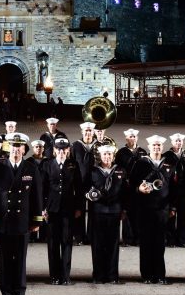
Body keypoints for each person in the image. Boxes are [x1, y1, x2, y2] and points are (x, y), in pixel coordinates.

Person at [0, 133, 43, 295]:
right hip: (3, 222)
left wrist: (36, 220)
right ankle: (6, 294)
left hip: (22, 221)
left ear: (24, 149)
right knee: (4, 261)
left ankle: (20, 294)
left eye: (19, 146)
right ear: (8, 147)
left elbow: (37, 196)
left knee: (20, 260)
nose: (16, 149)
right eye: (13, 146)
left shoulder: (31, 168)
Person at [131, 135, 177, 284]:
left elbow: (175, 188)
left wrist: (173, 207)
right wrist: (138, 189)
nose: (156, 148)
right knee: (146, 243)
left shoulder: (169, 164)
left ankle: (160, 274)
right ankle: (147, 275)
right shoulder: (140, 164)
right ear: (149, 147)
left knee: (160, 243)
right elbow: (131, 185)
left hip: (163, 209)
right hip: (145, 209)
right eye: (154, 146)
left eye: (159, 146)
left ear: (162, 148)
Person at [41, 137, 83, 285]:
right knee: (52, 243)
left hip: (68, 209)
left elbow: (79, 188)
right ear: (54, 150)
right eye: (58, 149)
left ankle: (65, 276)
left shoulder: (74, 165)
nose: (61, 152)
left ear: (68, 150)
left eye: (64, 149)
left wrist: (79, 207)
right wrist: (42, 208)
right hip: (52, 209)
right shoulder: (47, 165)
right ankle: (54, 276)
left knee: (66, 242)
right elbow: (42, 188)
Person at [86, 144, 127, 283]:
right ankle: (98, 275)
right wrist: (89, 195)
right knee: (98, 244)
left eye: (109, 154)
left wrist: (124, 210)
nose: (107, 157)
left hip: (115, 212)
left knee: (113, 245)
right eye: (105, 154)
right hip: (98, 212)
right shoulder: (93, 171)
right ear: (100, 156)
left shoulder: (120, 170)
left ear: (113, 156)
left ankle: (112, 276)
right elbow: (85, 189)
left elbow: (125, 193)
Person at [116, 128, 148, 247]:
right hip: (126, 186)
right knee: (126, 211)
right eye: (130, 137)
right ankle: (127, 238)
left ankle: (138, 238)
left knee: (139, 213)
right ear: (126, 138)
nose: (132, 139)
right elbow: (117, 168)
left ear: (137, 138)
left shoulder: (143, 152)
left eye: (134, 136)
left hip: (139, 187)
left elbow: (147, 169)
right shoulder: (121, 152)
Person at [71, 122, 96, 245]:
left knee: (93, 210)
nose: (88, 133)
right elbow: (71, 164)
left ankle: (91, 237)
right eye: (86, 131)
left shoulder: (98, 146)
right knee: (78, 210)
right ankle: (78, 236)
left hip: (94, 183)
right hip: (79, 183)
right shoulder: (75, 146)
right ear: (82, 132)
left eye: (90, 131)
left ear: (93, 132)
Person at [163, 133, 185, 247]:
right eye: (176, 141)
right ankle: (170, 239)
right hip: (171, 189)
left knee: (183, 216)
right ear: (172, 142)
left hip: (184, 190)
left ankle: (182, 239)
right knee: (171, 215)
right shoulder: (166, 156)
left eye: (180, 141)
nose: (178, 143)